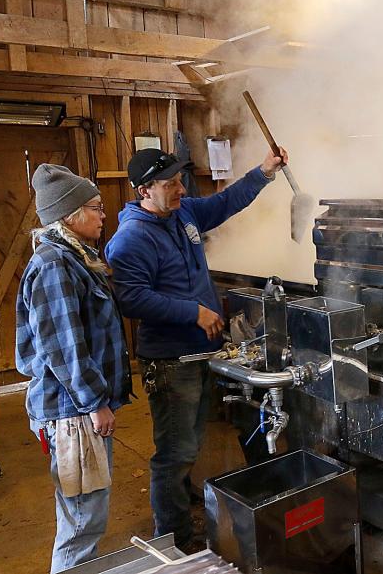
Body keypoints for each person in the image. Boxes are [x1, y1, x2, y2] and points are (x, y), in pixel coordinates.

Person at [105, 146, 287, 552]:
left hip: (204, 353)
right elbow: (131, 299)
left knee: (192, 444)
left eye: (179, 180)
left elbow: (224, 203)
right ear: (143, 191)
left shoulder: (182, 213)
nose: (180, 188)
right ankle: (174, 541)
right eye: (169, 184)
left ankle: (189, 515)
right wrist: (193, 312)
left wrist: (263, 171)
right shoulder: (131, 239)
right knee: (175, 453)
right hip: (173, 361)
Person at [15, 164, 132, 573]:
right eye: (96, 208)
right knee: (82, 523)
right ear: (70, 214)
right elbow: (65, 349)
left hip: (77, 409)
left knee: (84, 516)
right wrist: (95, 403)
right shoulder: (54, 265)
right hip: (72, 414)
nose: (104, 215)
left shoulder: (75, 258)